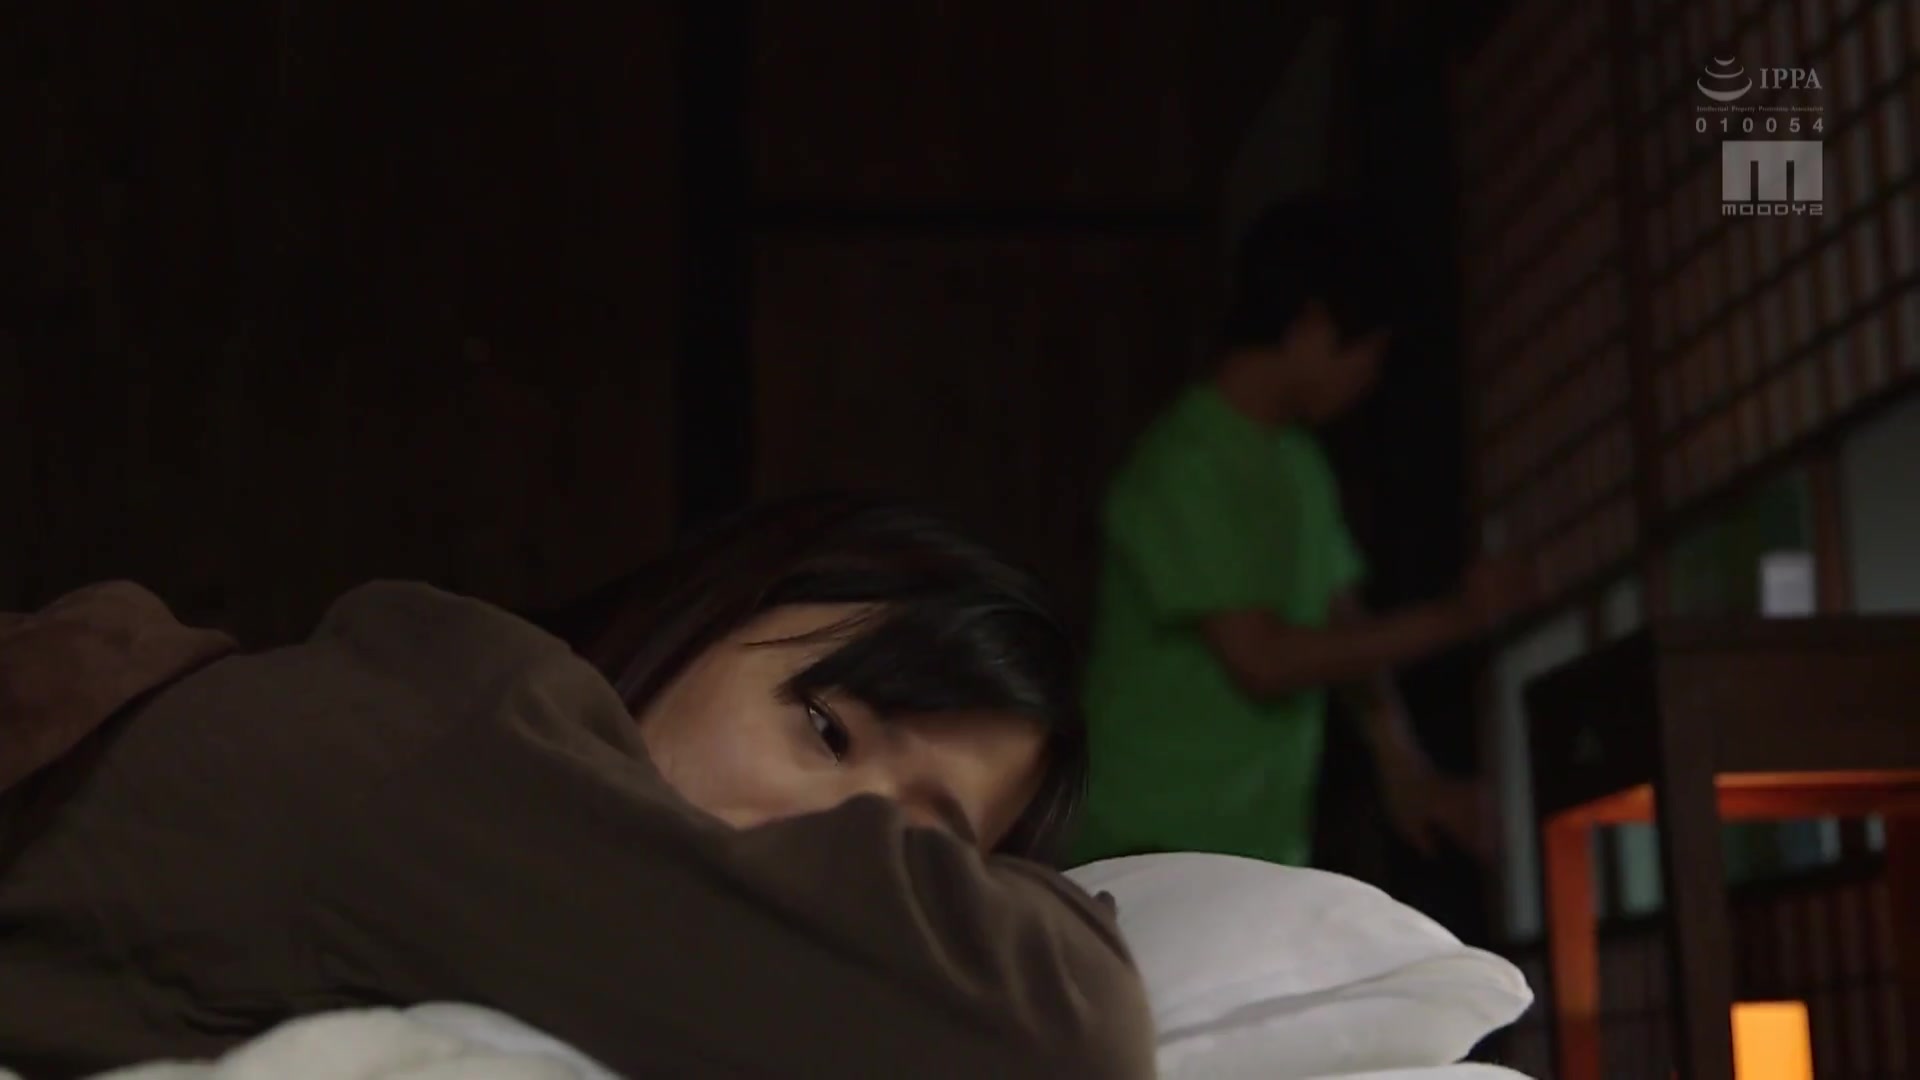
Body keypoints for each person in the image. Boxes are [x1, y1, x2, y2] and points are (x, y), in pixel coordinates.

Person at [0, 494, 1154, 1079]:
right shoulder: (471, 740)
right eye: (824, 729)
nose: (828, 839)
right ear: (709, 613)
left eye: (921, 850)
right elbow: (1062, 1033)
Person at [1070, 195, 1536, 870]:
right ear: (1315, 326)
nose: (1369, 378)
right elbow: (1263, 659)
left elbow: (1342, 620)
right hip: (1145, 839)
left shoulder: (1299, 463)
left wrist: (1405, 769)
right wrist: (1459, 616)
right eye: (1369, 354)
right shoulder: (1183, 463)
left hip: (1257, 846)